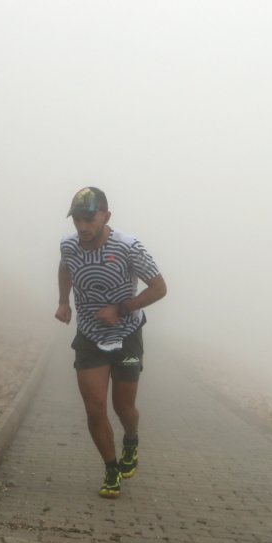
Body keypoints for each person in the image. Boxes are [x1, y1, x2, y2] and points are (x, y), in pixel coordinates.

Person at [55, 187, 167, 498]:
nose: (81, 227)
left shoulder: (129, 247)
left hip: (127, 334)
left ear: (106, 216)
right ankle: (111, 469)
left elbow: (159, 288)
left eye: (89, 219)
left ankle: (131, 439)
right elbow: (65, 267)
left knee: (123, 407)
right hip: (89, 335)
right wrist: (64, 301)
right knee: (94, 408)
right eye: (77, 219)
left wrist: (121, 309)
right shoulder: (69, 246)